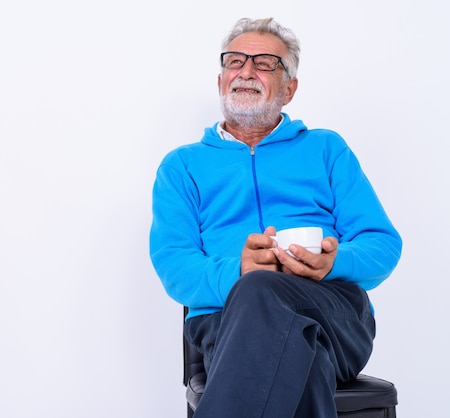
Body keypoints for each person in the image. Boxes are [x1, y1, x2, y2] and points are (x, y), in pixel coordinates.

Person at [149, 17, 402, 418]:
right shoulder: (182, 166)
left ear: (289, 90)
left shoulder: (326, 149)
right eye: (235, 61)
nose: (246, 72)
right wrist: (240, 271)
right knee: (300, 353)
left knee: (262, 293)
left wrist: (333, 261)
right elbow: (175, 266)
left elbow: (383, 243)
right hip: (225, 322)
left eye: (265, 63)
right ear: (220, 81)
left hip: (333, 312)